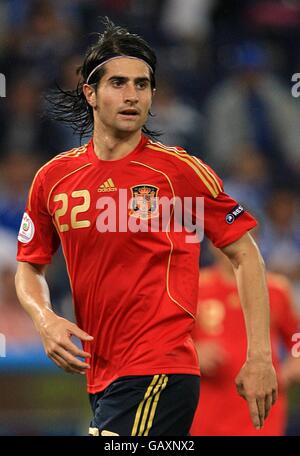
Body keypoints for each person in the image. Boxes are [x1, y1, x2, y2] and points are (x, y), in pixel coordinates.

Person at [15, 19, 277, 436]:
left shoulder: (179, 172)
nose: (132, 95)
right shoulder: (53, 179)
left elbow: (245, 252)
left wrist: (260, 356)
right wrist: (44, 318)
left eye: (143, 84)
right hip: (101, 376)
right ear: (90, 93)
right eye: (118, 83)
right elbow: (29, 266)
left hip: (161, 369)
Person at [190, 245, 300, 436]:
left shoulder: (276, 289)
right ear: (213, 244)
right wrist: (194, 352)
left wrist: (293, 365)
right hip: (207, 413)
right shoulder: (196, 285)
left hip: (263, 415)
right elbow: (168, 341)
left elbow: (296, 336)